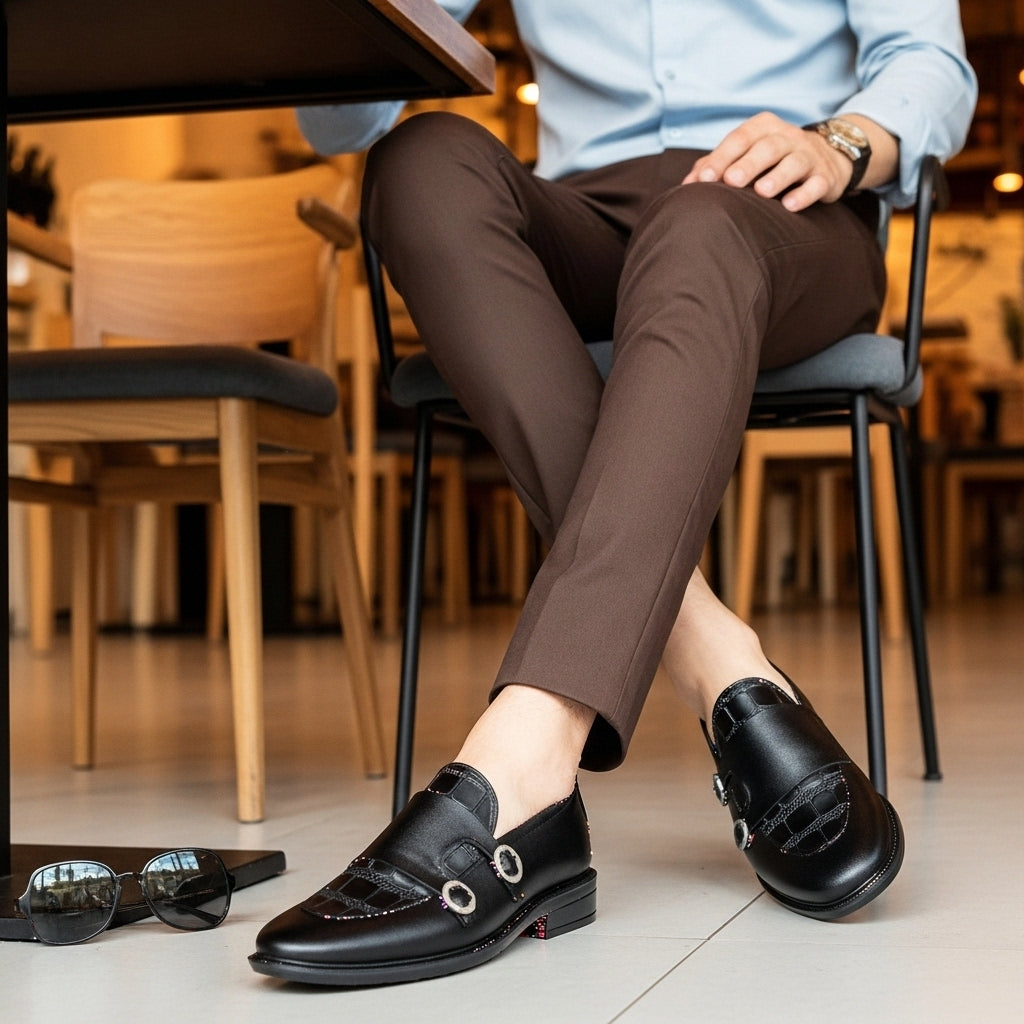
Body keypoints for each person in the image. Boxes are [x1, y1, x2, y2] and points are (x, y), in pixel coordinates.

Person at [249, 0, 976, 987]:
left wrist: (842, 142)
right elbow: (348, 118)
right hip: (586, 216)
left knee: (701, 220)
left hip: (789, 212)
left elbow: (930, 62)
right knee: (419, 164)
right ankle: (718, 654)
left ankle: (524, 765)